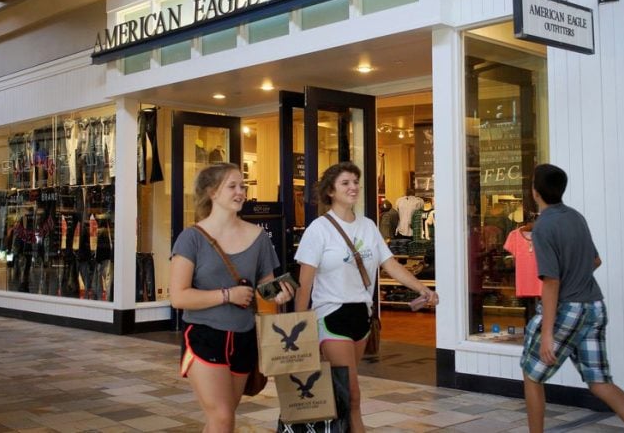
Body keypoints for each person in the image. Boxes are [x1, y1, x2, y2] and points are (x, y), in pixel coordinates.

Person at [294, 161, 439, 433]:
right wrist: (301, 331)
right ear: (330, 192)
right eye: (345, 183)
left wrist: (422, 289)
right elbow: (305, 285)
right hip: (330, 315)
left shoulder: (368, 226)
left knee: (343, 390)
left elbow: (391, 265)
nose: (353, 187)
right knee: (352, 393)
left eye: (355, 182)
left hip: (362, 316)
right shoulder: (319, 229)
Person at [170, 162, 295, 433]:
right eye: (233, 186)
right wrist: (228, 295)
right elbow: (178, 297)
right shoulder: (191, 238)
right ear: (212, 192)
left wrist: (279, 295)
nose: (241, 192)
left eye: (243, 186)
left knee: (223, 418)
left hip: (245, 338)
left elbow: (265, 290)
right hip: (204, 336)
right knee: (222, 418)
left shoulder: (259, 237)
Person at [522, 164, 624, 433]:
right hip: (595, 306)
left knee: (532, 375)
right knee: (600, 381)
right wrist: (577, 275)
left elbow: (551, 282)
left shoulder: (543, 227)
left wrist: (547, 334)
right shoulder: (575, 217)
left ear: (535, 192)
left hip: (569, 309)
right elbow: (596, 260)